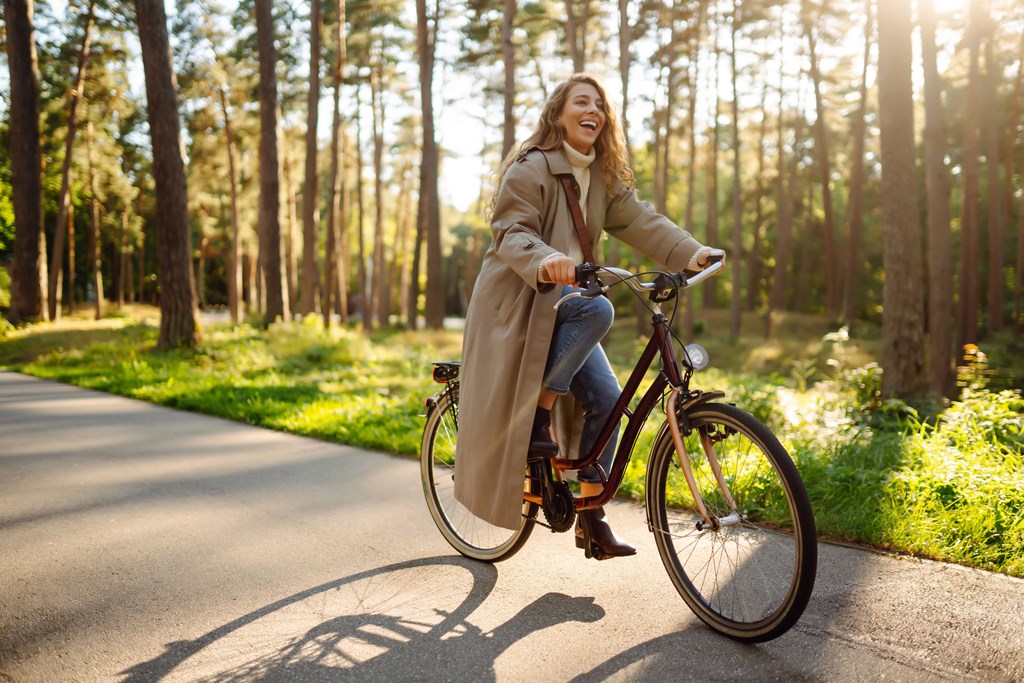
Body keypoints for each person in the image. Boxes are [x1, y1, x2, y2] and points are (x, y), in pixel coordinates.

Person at [453, 73, 724, 559]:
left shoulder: (600, 177)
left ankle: (590, 517)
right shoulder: (531, 168)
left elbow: (640, 219)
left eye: (600, 104)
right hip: (522, 302)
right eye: (582, 101)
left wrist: (690, 251)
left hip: (569, 305)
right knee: (599, 308)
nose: (593, 110)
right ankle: (538, 417)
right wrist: (545, 260)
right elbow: (510, 231)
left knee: (608, 399)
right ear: (559, 114)